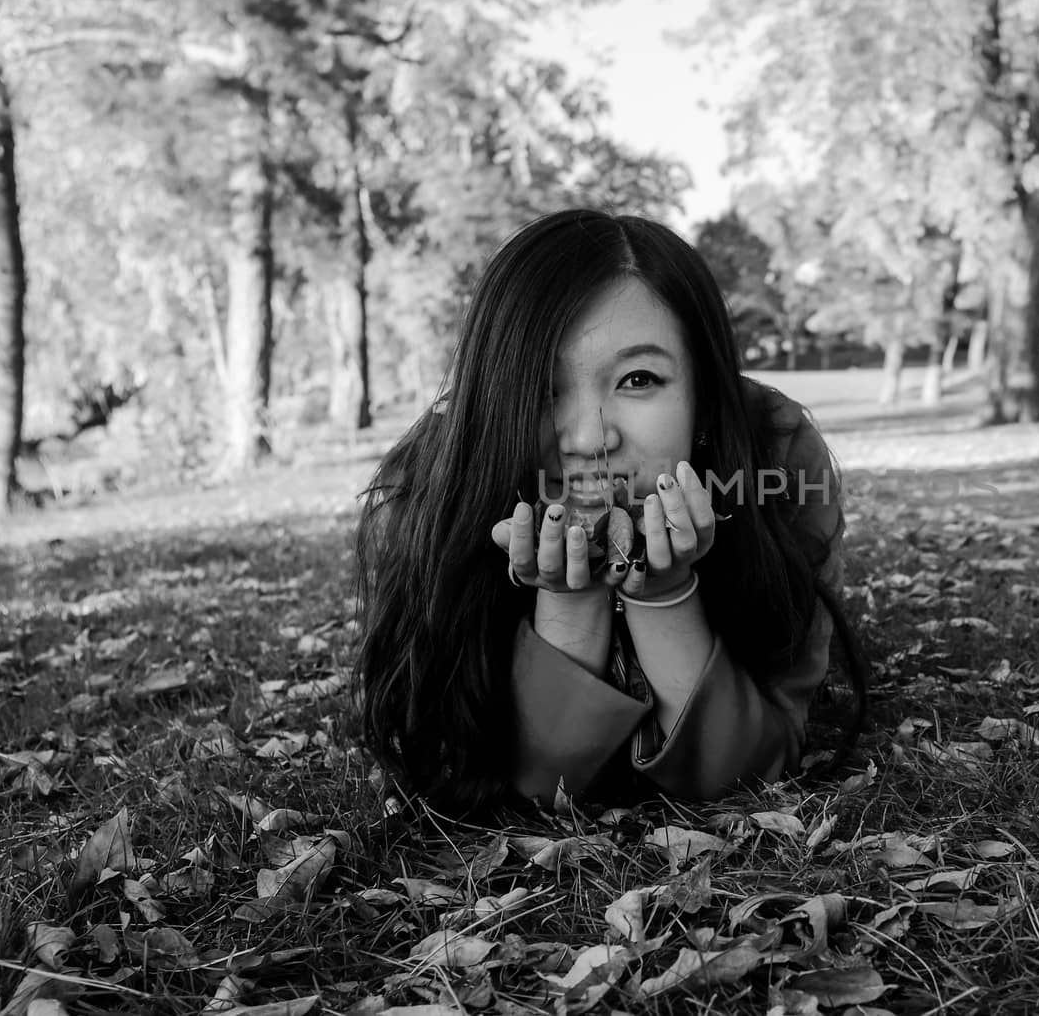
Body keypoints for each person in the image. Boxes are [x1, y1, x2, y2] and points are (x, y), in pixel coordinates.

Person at [353, 209, 866, 812]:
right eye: (543, 390)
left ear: (702, 398)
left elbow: (752, 773)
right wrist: (570, 599)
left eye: (638, 379)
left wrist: (663, 593)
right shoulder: (430, 487)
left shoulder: (777, 458)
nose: (588, 439)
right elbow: (512, 781)